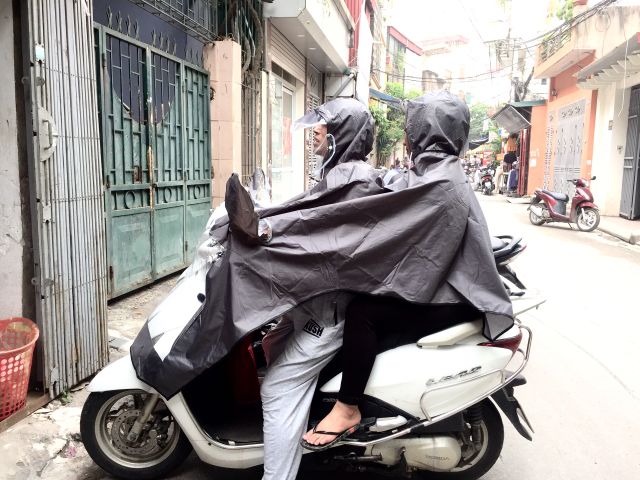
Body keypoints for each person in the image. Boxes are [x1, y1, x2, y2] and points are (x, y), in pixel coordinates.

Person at [302, 91, 513, 450]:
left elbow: (397, 229)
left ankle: (347, 407)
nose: (406, 134)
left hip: (455, 296)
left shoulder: (439, 180)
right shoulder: (436, 171)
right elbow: (392, 194)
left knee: (363, 313)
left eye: (410, 127)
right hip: (449, 285)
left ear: (424, 131)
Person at [259, 98, 375, 480]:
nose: (317, 131)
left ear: (343, 133)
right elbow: (304, 216)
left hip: (327, 312)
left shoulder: (352, 180)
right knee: (269, 346)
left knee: (275, 388)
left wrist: (268, 230)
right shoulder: (340, 173)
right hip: (313, 300)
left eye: (325, 125)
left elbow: (313, 229)